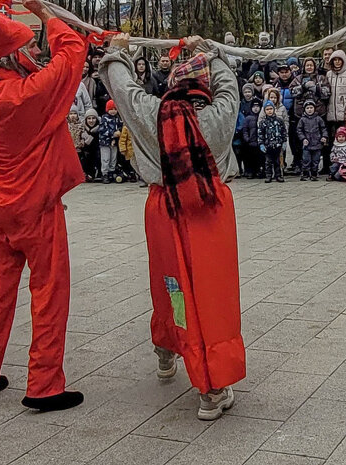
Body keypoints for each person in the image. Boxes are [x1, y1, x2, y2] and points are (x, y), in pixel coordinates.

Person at [0, 0, 86, 412]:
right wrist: (43, 11)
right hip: (38, 208)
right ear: (21, 55)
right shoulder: (36, 91)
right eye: (31, 48)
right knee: (48, 292)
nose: (37, 54)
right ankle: (44, 385)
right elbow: (73, 49)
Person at [96, 34, 245, 421]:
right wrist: (209, 55)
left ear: (172, 85)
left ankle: (167, 350)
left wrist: (121, 50)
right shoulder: (220, 112)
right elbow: (229, 83)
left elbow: (121, 86)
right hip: (210, 208)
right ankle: (211, 388)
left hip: (164, 207)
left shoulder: (152, 113)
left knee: (170, 283)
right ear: (205, 87)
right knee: (212, 295)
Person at [297, 100, 327, 181]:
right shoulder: (302, 120)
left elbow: (323, 128)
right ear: (304, 109)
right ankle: (305, 173)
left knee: (316, 160)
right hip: (306, 144)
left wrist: (324, 136)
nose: (309, 110)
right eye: (307, 108)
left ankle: (314, 173)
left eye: (311, 108)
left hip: (317, 143)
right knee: (306, 159)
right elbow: (299, 130)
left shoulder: (318, 119)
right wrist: (303, 138)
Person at [258, 100, 287, 183]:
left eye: (271, 109)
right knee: (268, 162)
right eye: (267, 109)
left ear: (274, 109)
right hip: (268, 146)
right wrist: (261, 144)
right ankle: (268, 176)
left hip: (278, 145)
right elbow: (260, 134)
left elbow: (283, 132)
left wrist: (284, 142)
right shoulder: (263, 123)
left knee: (278, 162)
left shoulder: (279, 121)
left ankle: (278, 175)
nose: (269, 111)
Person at [97, 100, 124, 183]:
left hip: (114, 143)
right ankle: (105, 173)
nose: (113, 111)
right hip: (105, 142)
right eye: (111, 109)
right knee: (106, 159)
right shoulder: (104, 118)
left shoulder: (117, 119)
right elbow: (102, 130)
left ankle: (111, 172)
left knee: (113, 158)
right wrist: (113, 134)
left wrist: (118, 133)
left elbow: (120, 127)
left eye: (115, 109)